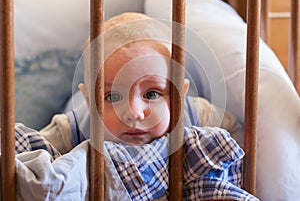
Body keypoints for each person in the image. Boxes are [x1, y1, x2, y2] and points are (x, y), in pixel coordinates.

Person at [3, 12, 258, 200]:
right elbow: (34, 162)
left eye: (152, 93)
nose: (134, 113)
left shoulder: (198, 115)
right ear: (90, 101)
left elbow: (232, 144)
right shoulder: (72, 126)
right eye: (112, 97)